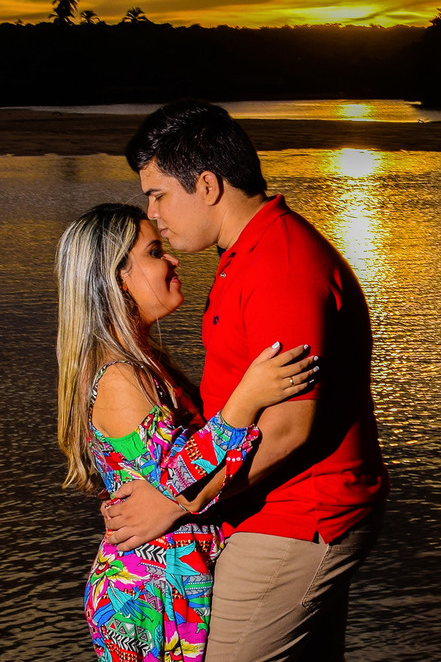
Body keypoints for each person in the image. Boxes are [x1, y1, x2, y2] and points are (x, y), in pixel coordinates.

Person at [102, 99, 389, 662]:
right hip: (272, 511)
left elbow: (288, 429)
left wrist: (176, 502)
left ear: (207, 185)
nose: (154, 213)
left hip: (300, 514)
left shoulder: (279, 265)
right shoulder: (247, 254)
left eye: (159, 194)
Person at [56, 202, 318, 662]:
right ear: (119, 278)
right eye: (155, 252)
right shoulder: (118, 377)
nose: (173, 259)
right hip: (146, 598)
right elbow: (176, 480)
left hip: (174, 581)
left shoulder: (145, 364)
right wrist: (247, 399)